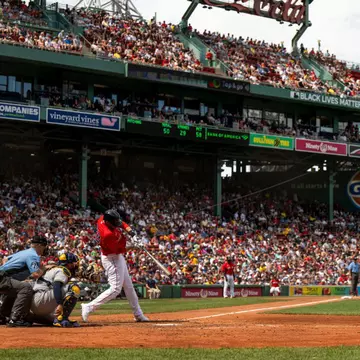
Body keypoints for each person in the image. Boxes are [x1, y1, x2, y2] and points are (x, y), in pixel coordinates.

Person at [81, 209, 149, 322]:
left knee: (129, 287)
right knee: (116, 289)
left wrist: (132, 234)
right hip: (112, 257)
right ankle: (89, 306)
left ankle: (138, 314)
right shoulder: (108, 235)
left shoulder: (103, 218)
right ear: (108, 223)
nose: (117, 224)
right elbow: (118, 250)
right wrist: (134, 246)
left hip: (116, 256)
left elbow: (122, 224)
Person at [0, 235, 47, 327]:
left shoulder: (23, 252)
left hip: (2, 276)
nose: (44, 249)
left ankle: (2, 315)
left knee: (15, 289)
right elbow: (36, 274)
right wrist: (44, 268)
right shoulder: (33, 255)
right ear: (39, 245)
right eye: (44, 247)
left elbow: (5, 259)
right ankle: (16, 318)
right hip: (3, 278)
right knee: (26, 288)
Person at [29, 252, 81, 328]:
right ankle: (62, 318)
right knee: (74, 288)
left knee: (54, 320)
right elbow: (57, 286)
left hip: (35, 304)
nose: (74, 265)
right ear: (68, 264)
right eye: (73, 263)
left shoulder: (54, 269)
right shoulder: (62, 270)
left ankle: (57, 318)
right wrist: (59, 304)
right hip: (41, 299)